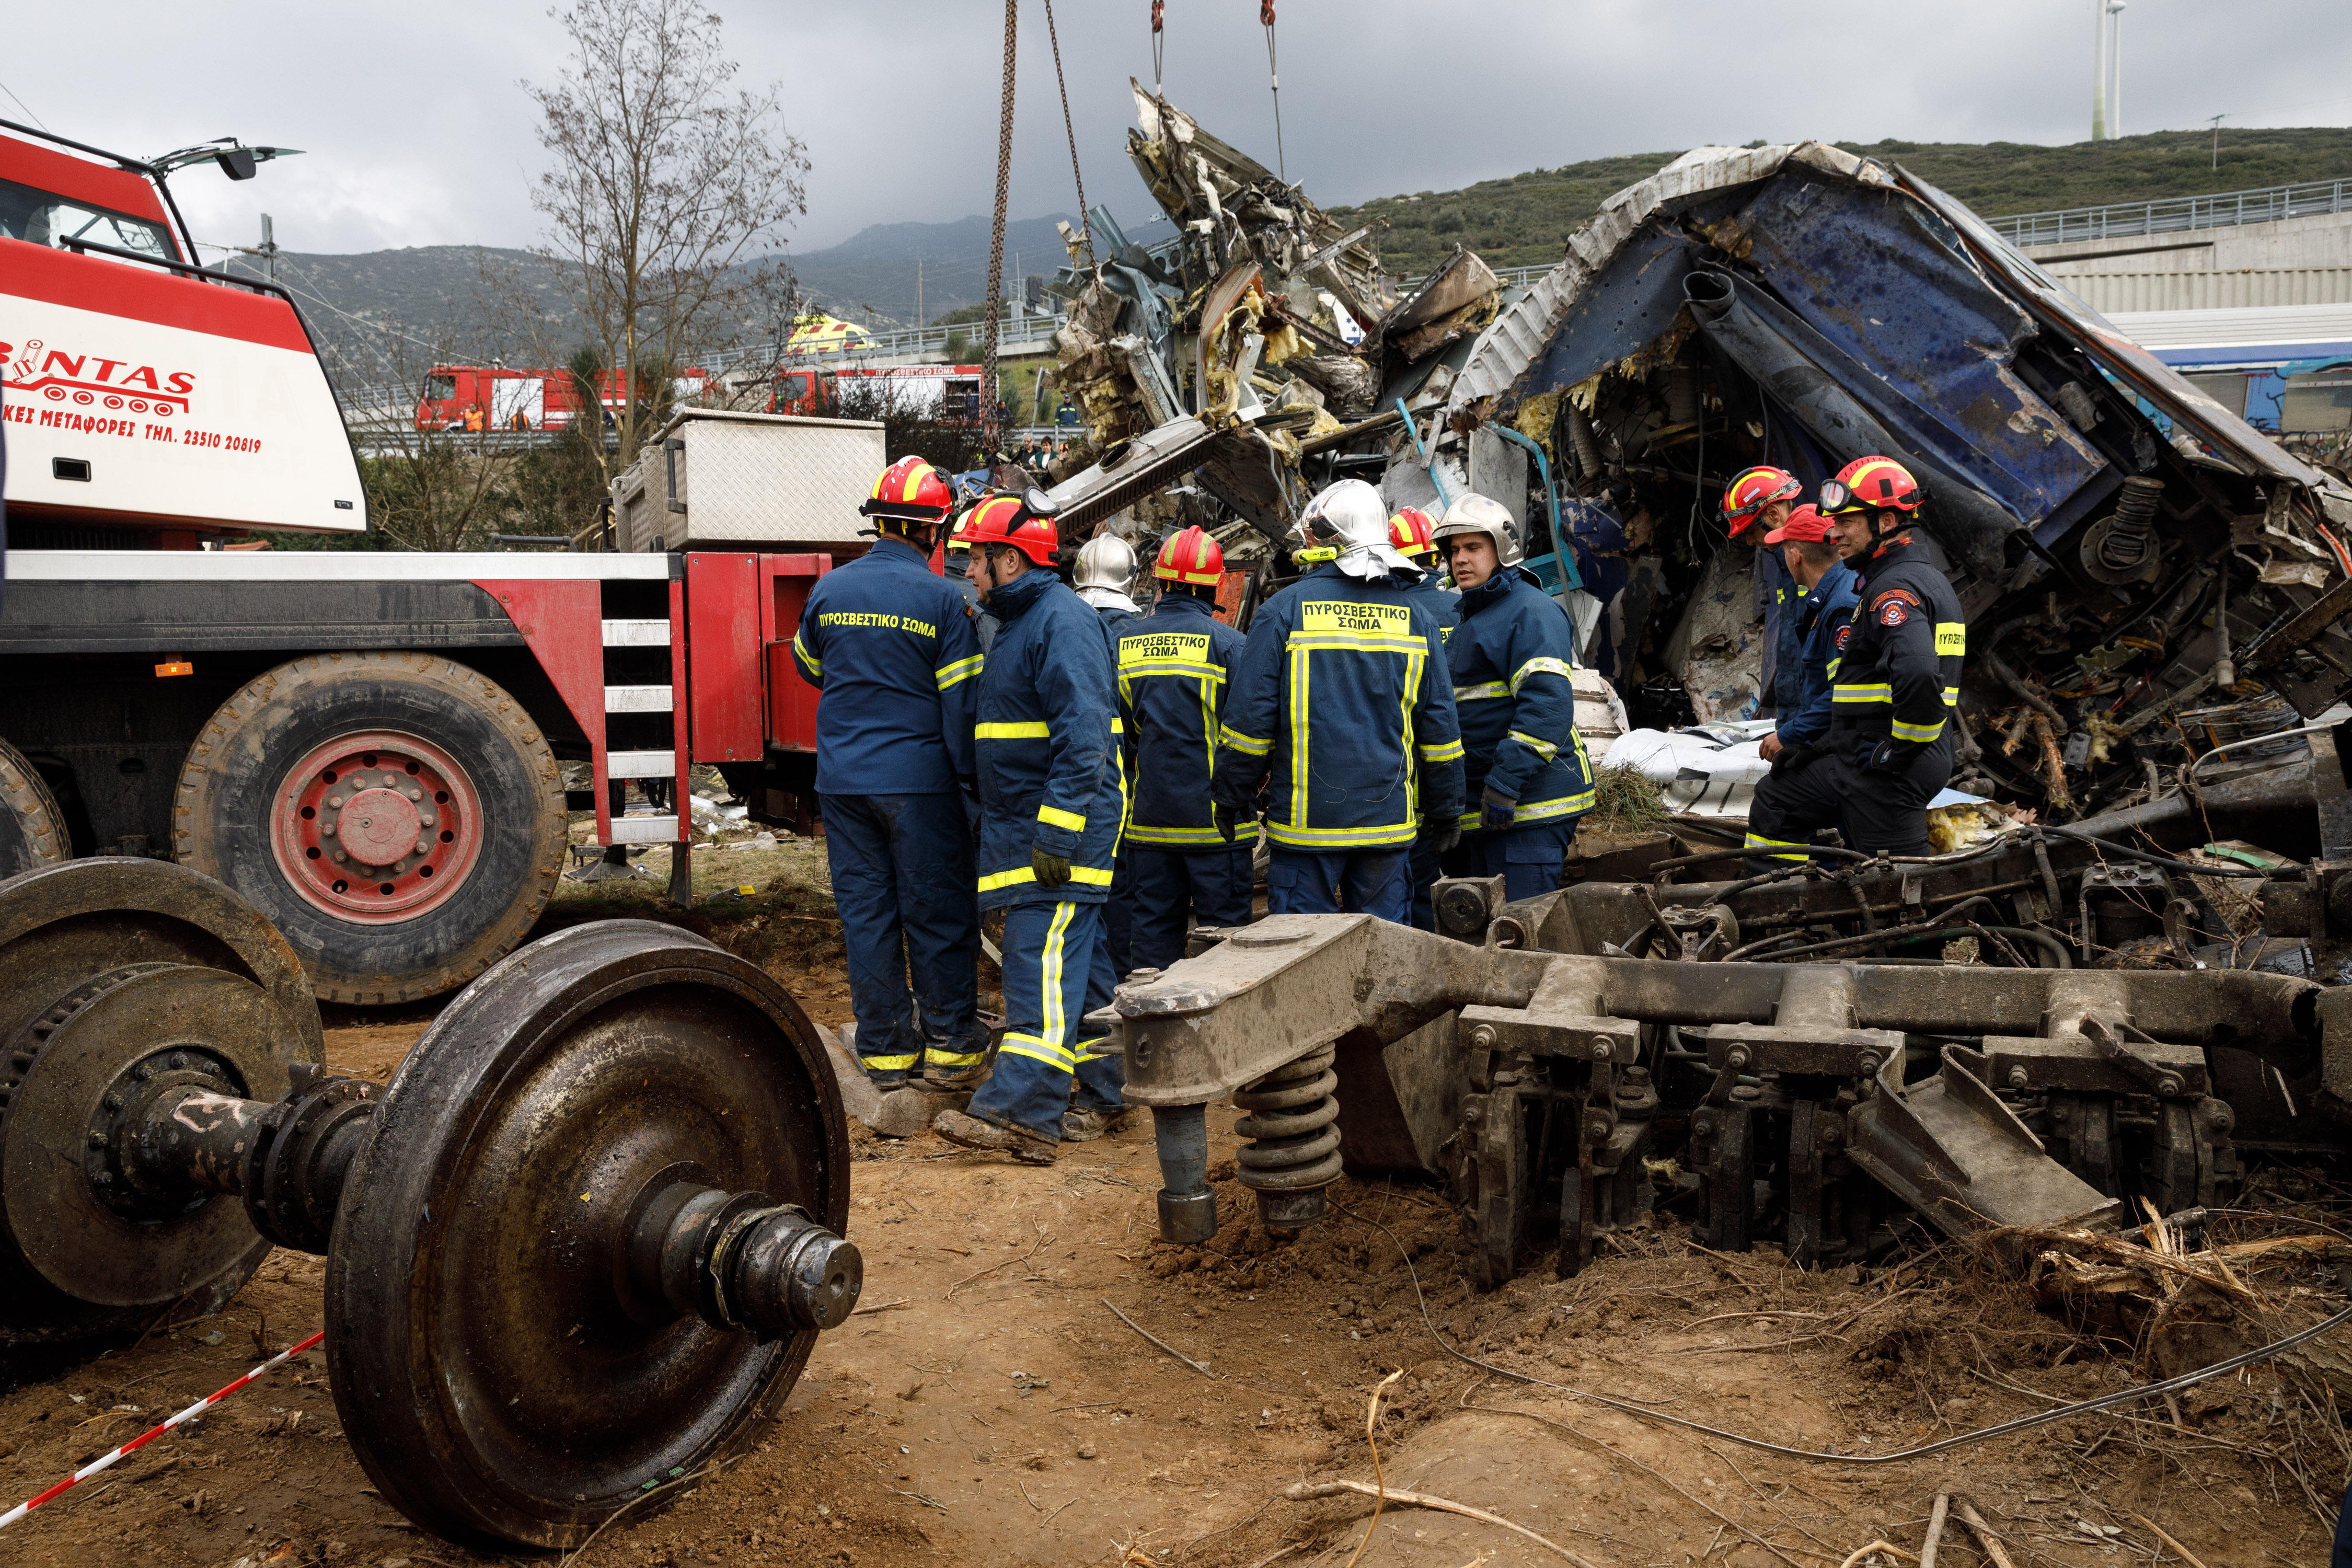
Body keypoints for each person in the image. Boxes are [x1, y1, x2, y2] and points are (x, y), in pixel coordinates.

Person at [932, 492, 1128, 1164]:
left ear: (1009, 560)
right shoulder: (1024, 620)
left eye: (977, 558)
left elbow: (1084, 740)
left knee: (1038, 962)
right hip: (1036, 826)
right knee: (1087, 965)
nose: (969, 571)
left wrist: (1058, 831)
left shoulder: (1061, 622)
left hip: (1060, 830)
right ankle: (1108, 1088)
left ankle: (1023, 1111)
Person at [789, 456, 988, 1090]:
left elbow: (809, 666)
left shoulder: (831, 589)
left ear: (878, 522)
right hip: (921, 784)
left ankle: (885, 1052)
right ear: (934, 530)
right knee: (934, 912)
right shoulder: (941, 599)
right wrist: (970, 783)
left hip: (843, 782)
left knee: (867, 915)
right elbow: (960, 703)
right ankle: (954, 1045)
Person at [1213, 479, 1463, 921]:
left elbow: (1249, 723)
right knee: (1384, 959)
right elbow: (1440, 729)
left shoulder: (1283, 611)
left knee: (1300, 961)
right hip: (1386, 829)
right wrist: (1447, 810)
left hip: (1306, 832)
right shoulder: (1417, 618)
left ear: (1323, 541)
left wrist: (1232, 796)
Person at [1743, 456, 1964, 862]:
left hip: (1888, 772)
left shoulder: (1893, 591)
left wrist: (1898, 752)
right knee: (1781, 796)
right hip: (1867, 757)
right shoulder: (1913, 577)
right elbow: (1866, 693)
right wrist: (1819, 746)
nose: (1836, 533)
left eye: (1847, 523)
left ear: (1885, 523)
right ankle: (1779, 898)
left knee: (1898, 887)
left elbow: (1917, 675)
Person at [1430, 493, 1595, 902]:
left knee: (1518, 932)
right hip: (1488, 806)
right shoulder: (1473, 614)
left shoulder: (1529, 612)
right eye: (1454, 551)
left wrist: (1505, 784)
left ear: (1502, 551)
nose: (1460, 560)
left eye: (1473, 548)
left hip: (1528, 805)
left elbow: (1547, 707)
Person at [1117, 525, 1251, 971]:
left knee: (1153, 943)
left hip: (1149, 826)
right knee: (1225, 945)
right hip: (1217, 828)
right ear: (1215, 586)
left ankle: (1151, 1035)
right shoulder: (1231, 646)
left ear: (1160, 582)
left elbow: (1118, 734)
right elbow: (1251, 736)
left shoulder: (1125, 644)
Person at [1743, 504, 1861, 871]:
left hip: (1847, 747)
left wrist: (1792, 734)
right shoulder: (1831, 594)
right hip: (1839, 744)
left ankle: (1776, 889)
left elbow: (1843, 691)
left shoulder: (1840, 605)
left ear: (1796, 556)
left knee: (1775, 798)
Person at [1387, 506, 1461, 929]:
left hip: (1406, 785)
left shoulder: (1394, 615)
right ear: (1438, 558)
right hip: (1466, 776)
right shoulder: (1465, 608)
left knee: (1409, 890)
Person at [1074, 533, 1145, 974]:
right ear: (1132, 582)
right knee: (1121, 890)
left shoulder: (1060, 626)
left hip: (1072, 789)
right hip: (1132, 792)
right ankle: (1116, 978)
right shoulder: (1141, 637)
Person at [1722, 465, 1804, 711]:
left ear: (1772, 514)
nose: (1749, 541)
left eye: (1749, 530)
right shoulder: (1784, 564)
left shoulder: (1815, 563)